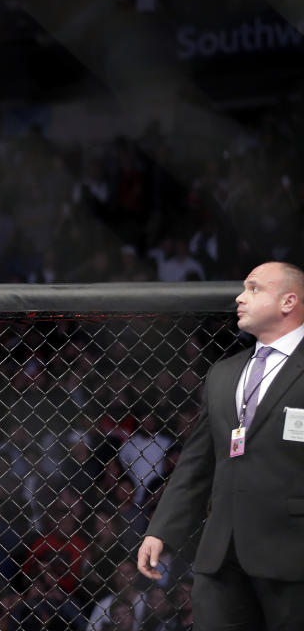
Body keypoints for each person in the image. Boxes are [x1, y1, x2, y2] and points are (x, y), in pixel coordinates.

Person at [136, 262, 304, 629]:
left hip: (292, 554)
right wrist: (162, 529)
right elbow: (197, 462)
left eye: (254, 288)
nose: (240, 297)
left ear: (288, 301)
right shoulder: (223, 373)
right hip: (222, 556)